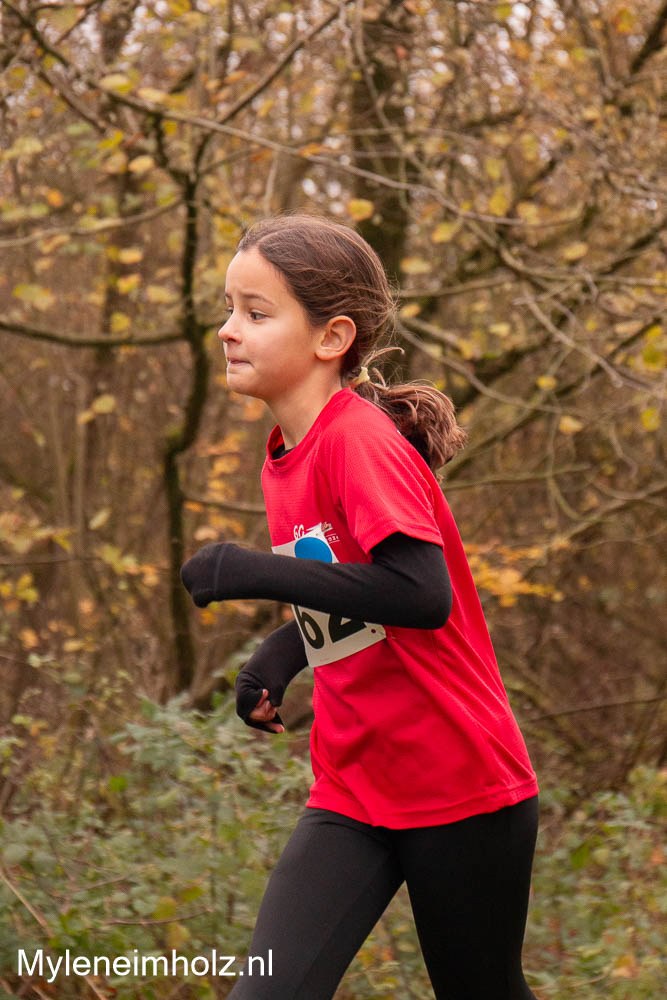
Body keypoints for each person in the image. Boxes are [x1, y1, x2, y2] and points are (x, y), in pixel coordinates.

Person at [180, 214, 539, 1000]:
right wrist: (280, 655)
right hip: (352, 784)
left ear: (331, 336)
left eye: (255, 313)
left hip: (458, 782)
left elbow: (420, 593)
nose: (228, 330)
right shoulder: (286, 453)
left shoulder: (357, 441)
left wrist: (247, 571)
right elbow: (349, 584)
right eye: (229, 308)